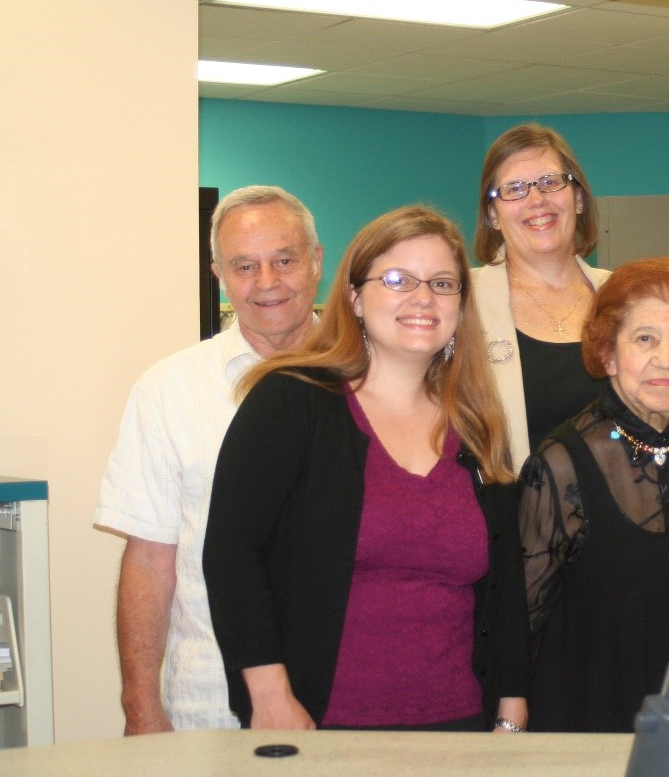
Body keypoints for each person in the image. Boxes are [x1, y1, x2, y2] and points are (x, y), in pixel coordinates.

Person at [202, 205, 529, 733]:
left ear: (461, 306)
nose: (423, 298)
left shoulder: (477, 426)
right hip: (319, 728)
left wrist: (511, 715)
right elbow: (232, 555)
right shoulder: (290, 402)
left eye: (442, 283)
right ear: (354, 297)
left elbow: (507, 588)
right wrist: (268, 695)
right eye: (398, 279)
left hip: (461, 730)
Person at [94, 185, 323, 734]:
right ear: (217, 272)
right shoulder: (171, 390)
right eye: (244, 266)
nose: (266, 283)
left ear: (316, 261)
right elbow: (149, 560)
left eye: (283, 260)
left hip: (352, 690)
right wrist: (140, 705)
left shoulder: (376, 377)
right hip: (209, 701)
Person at [518, 256, 669, 732]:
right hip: (593, 717)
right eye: (645, 339)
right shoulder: (559, 463)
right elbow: (524, 618)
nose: (667, 359)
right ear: (608, 354)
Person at [472, 124, 611, 471]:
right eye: (514, 189)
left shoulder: (624, 296)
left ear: (577, 199)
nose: (537, 200)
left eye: (550, 182)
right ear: (493, 215)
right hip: (510, 517)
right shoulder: (461, 304)